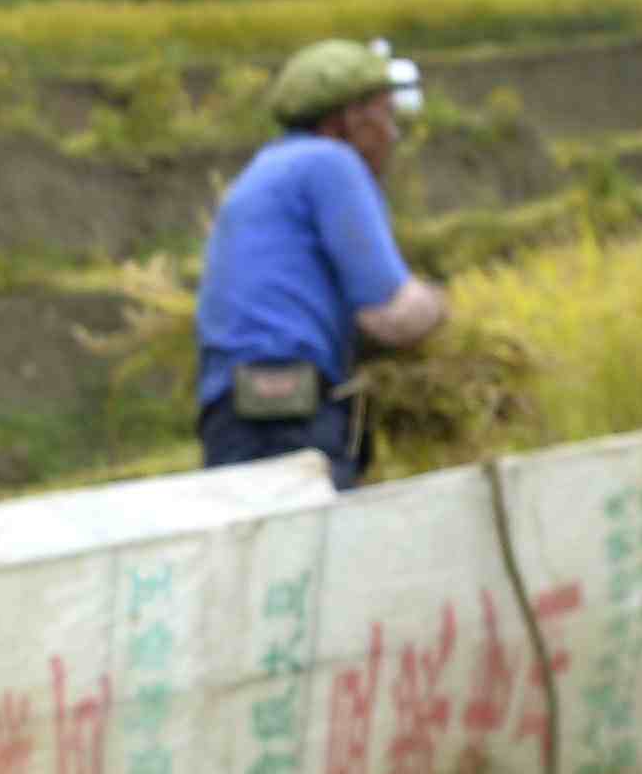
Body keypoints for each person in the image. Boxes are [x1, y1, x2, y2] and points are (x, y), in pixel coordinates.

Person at [190, 36, 449, 486]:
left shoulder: (265, 170)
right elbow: (390, 317)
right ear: (350, 118)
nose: (392, 134)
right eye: (385, 116)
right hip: (292, 410)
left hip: (230, 411)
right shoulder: (331, 165)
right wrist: (441, 303)